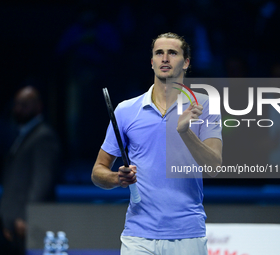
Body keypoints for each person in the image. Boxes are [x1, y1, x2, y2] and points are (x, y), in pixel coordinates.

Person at [92, 32, 222, 255]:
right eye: (159, 53)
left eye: (172, 53)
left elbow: (214, 167)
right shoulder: (126, 110)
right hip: (138, 236)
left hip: (188, 235)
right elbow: (98, 172)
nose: (165, 59)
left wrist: (184, 132)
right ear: (151, 62)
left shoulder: (204, 105)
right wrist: (117, 178)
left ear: (186, 62)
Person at [0, 86, 61, 255]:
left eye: (24, 104)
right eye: (16, 104)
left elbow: (42, 181)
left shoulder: (44, 136)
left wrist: (28, 217)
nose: (18, 109)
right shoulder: (23, 134)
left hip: (25, 223)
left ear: (38, 106)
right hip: (10, 221)